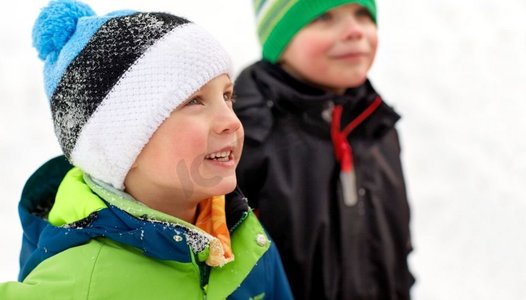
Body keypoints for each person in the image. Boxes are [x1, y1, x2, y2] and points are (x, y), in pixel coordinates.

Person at [0, 0, 293, 299]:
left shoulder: (241, 231)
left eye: (228, 96)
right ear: (121, 144)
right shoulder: (83, 281)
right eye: (194, 101)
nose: (231, 121)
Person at [233, 0, 414, 299]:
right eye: (324, 17)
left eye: (362, 14)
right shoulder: (244, 137)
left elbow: (396, 250)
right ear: (279, 35)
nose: (355, 30)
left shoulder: (377, 125)